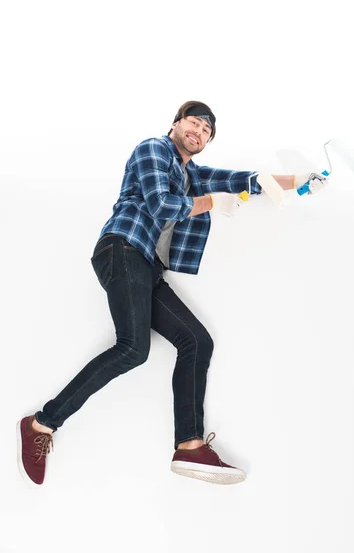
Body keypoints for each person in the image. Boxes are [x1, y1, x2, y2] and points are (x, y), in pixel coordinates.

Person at [17, 101, 328, 487]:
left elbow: (244, 180)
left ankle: (190, 445)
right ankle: (41, 423)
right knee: (133, 348)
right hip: (123, 247)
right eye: (193, 123)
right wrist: (213, 202)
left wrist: (298, 180)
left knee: (197, 341)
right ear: (176, 124)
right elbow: (162, 206)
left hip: (147, 266)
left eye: (206, 131)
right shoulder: (153, 148)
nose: (198, 132)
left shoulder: (191, 174)